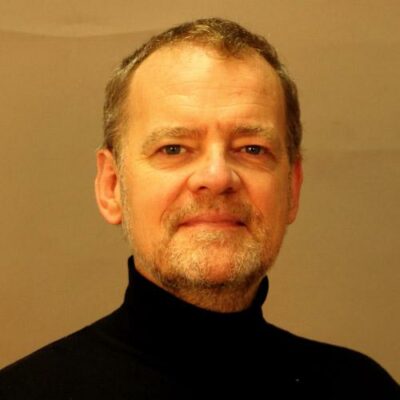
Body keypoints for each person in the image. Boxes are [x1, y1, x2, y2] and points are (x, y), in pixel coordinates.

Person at [0, 17, 398, 399]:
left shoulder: (363, 390)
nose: (217, 176)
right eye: (174, 148)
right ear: (112, 186)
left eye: (251, 149)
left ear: (292, 187)